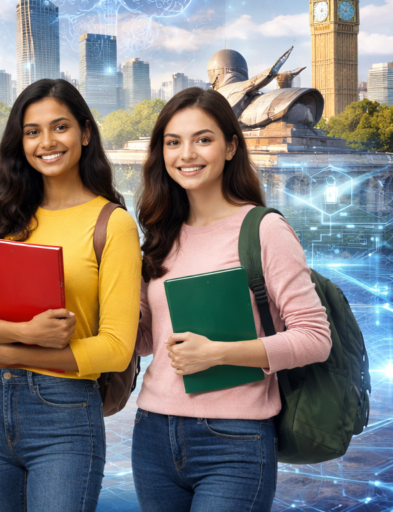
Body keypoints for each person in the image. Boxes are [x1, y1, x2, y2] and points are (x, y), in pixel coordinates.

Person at [0, 79, 141, 512]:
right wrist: (24, 333)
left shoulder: (113, 224)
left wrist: (11, 352)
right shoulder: (1, 219)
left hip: (64, 410)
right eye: (32, 132)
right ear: (21, 142)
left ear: (85, 134)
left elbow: (116, 348)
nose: (46, 142)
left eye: (60, 127)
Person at [132, 88, 332, 512]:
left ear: (231, 147)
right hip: (152, 433)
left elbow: (315, 338)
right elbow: (148, 342)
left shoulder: (263, 229)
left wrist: (218, 354)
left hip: (234, 440)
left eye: (203, 139)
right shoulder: (159, 236)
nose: (187, 154)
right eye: (173, 142)